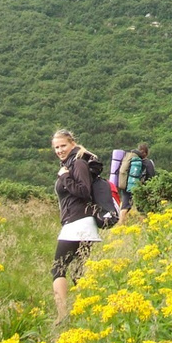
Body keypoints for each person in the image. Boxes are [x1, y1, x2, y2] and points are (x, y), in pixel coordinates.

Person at [50, 128, 101, 323]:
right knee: (79, 272)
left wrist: (64, 176)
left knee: (57, 268)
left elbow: (83, 191)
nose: (60, 150)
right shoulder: (71, 163)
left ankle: (62, 314)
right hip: (82, 223)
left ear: (72, 143)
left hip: (77, 222)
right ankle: (87, 312)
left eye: (63, 145)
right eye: (56, 147)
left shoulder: (78, 163)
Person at [117, 142, 155, 223]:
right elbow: (151, 176)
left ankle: (120, 225)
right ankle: (144, 226)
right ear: (146, 153)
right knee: (142, 209)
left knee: (124, 208)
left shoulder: (131, 159)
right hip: (139, 188)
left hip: (127, 186)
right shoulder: (148, 162)